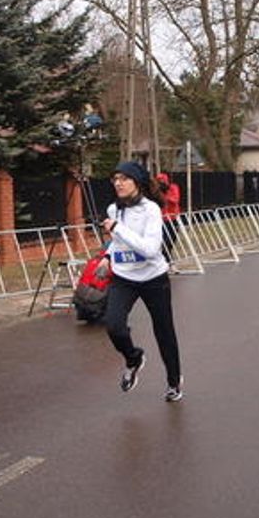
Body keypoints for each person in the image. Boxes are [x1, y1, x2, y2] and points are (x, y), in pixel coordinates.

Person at [98, 161, 184, 402]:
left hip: (153, 278)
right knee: (114, 326)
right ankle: (134, 358)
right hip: (124, 278)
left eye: (124, 179)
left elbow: (149, 249)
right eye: (115, 179)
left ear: (137, 182)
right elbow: (118, 241)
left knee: (164, 330)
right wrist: (106, 256)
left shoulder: (151, 210)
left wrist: (117, 228)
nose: (118, 183)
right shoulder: (113, 210)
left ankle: (174, 381)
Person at [155, 172, 182, 263]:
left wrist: (166, 195)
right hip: (162, 219)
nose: (161, 183)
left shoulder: (173, 187)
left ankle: (167, 258)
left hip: (173, 217)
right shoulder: (157, 191)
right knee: (164, 240)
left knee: (172, 238)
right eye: (159, 181)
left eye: (162, 181)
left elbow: (175, 200)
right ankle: (166, 259)